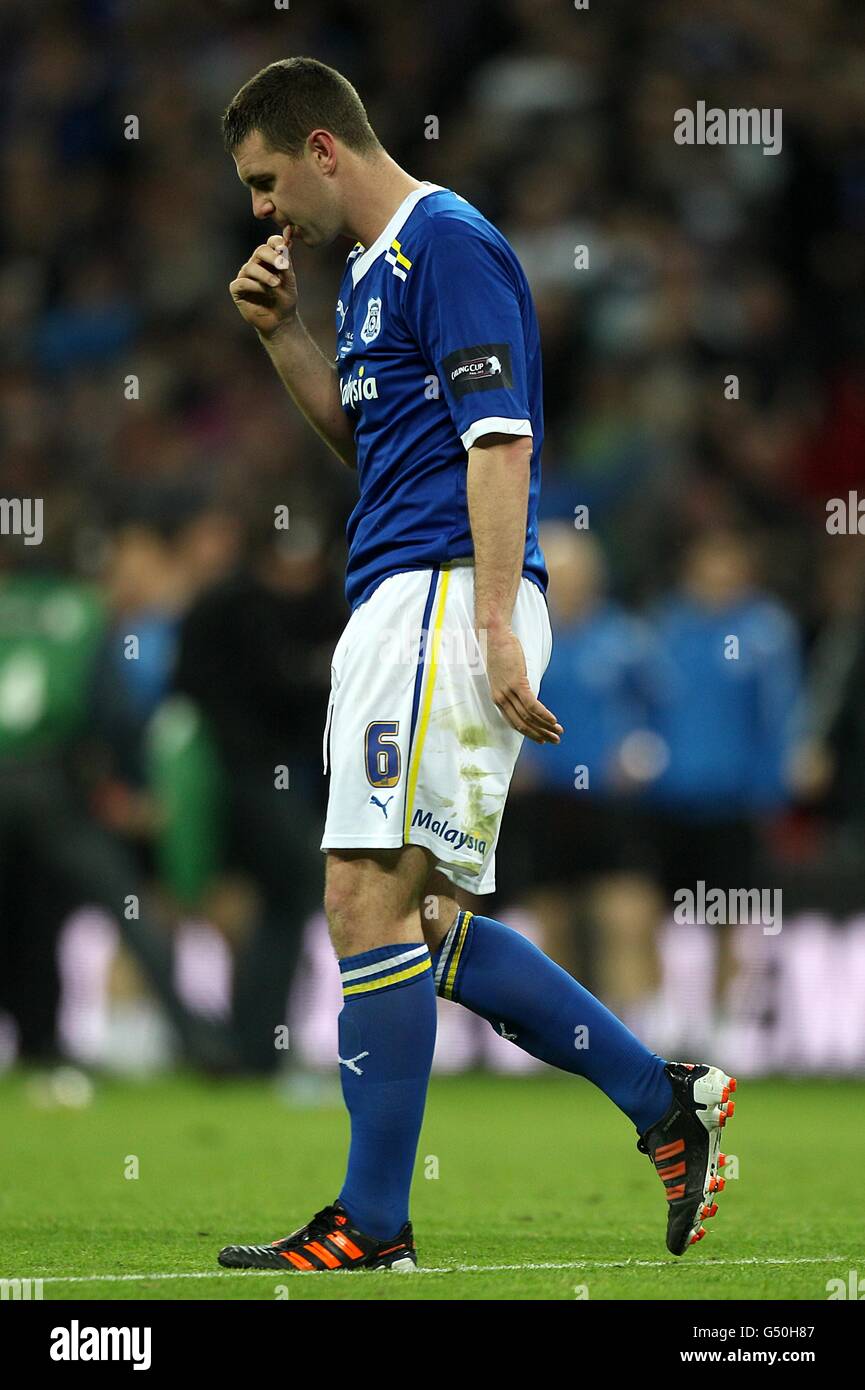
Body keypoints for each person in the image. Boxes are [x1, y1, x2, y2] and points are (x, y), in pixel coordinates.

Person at [216, 57, 735, 1273]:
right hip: (399, 595)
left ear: (323, 149)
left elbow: (498, 443)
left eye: (264, 180)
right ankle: (663, 1101)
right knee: (419, 913)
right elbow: (378, 445)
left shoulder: (448, 242)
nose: (261, 211)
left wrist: (498, 625)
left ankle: (374, 1221)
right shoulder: (359, 281)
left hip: (449, 596)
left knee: (362, 899)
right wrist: (285, 334)